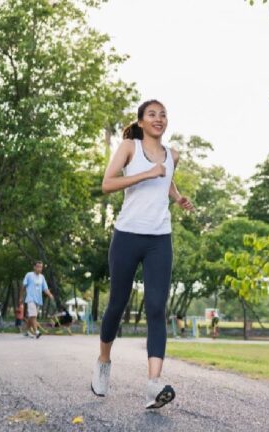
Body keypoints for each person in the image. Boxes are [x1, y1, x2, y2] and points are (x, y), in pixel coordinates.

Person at [91, 100, 194, 409]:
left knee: (156, 308)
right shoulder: (129, 147)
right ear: (141, 121)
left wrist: (177, 197)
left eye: (163, 114)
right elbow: (107, 184)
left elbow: (167, 177)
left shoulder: (172, 155)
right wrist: (145, 174)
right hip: (127, 235)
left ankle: (153, 384)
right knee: (117, 305)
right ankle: (103, 361)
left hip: (159, 239)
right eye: (152, 114)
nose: (159, 118)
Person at [20, 261, 54, 339]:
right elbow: (23, 286)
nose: (39, 268)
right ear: (34, 267)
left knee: (31, 317)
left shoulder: (42, 277)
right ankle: (36, 332)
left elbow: (45, 289)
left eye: (41, 267)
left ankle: (27, 331)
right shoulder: (29, 275)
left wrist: (50, 295)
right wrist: (21, 297)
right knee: (34, 315)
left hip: (38, 300)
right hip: (30, 298)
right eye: (38, 266)